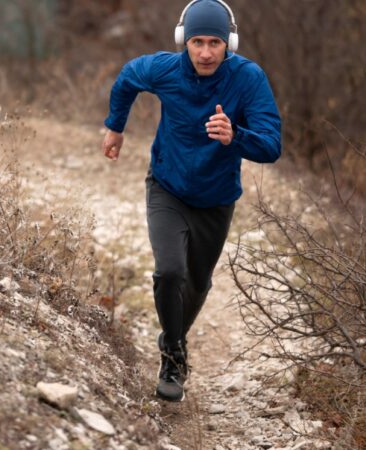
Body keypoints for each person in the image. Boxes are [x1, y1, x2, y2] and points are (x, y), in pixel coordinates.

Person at [101, 0, 281, 402]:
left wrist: (237, 135)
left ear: (228, 43)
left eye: (214, 42)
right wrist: (116, 127)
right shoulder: (166, 69)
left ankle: (173, 337)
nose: (204, 52)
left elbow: (272, 145)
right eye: (197, 41)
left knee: (196, 284)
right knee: (169, 271)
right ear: (184, 40)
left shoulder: (248, 79)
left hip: (216, 199)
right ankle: (173, 358)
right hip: (167, 185)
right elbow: (129, 76)